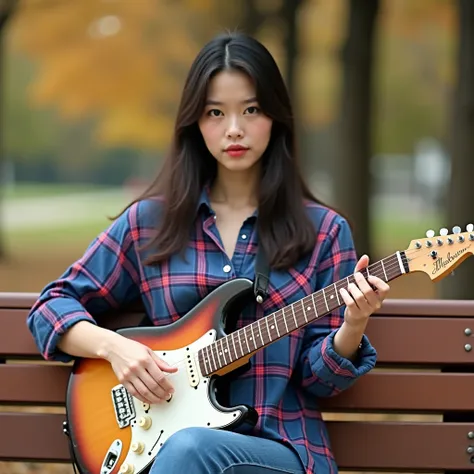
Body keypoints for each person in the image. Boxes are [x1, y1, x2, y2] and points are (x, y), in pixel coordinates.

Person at [27, 31, 390, 474]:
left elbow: (321, 379)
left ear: (276, 116)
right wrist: (115, 349)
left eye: (251, 110)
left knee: (191, 450)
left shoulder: (324, 232)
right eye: (215, 112)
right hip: (159, 448)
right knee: (185, 450)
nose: (233, 128)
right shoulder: (149, 224)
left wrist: (352, 325)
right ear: (194, 123)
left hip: (278, 450)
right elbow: (50, 308)